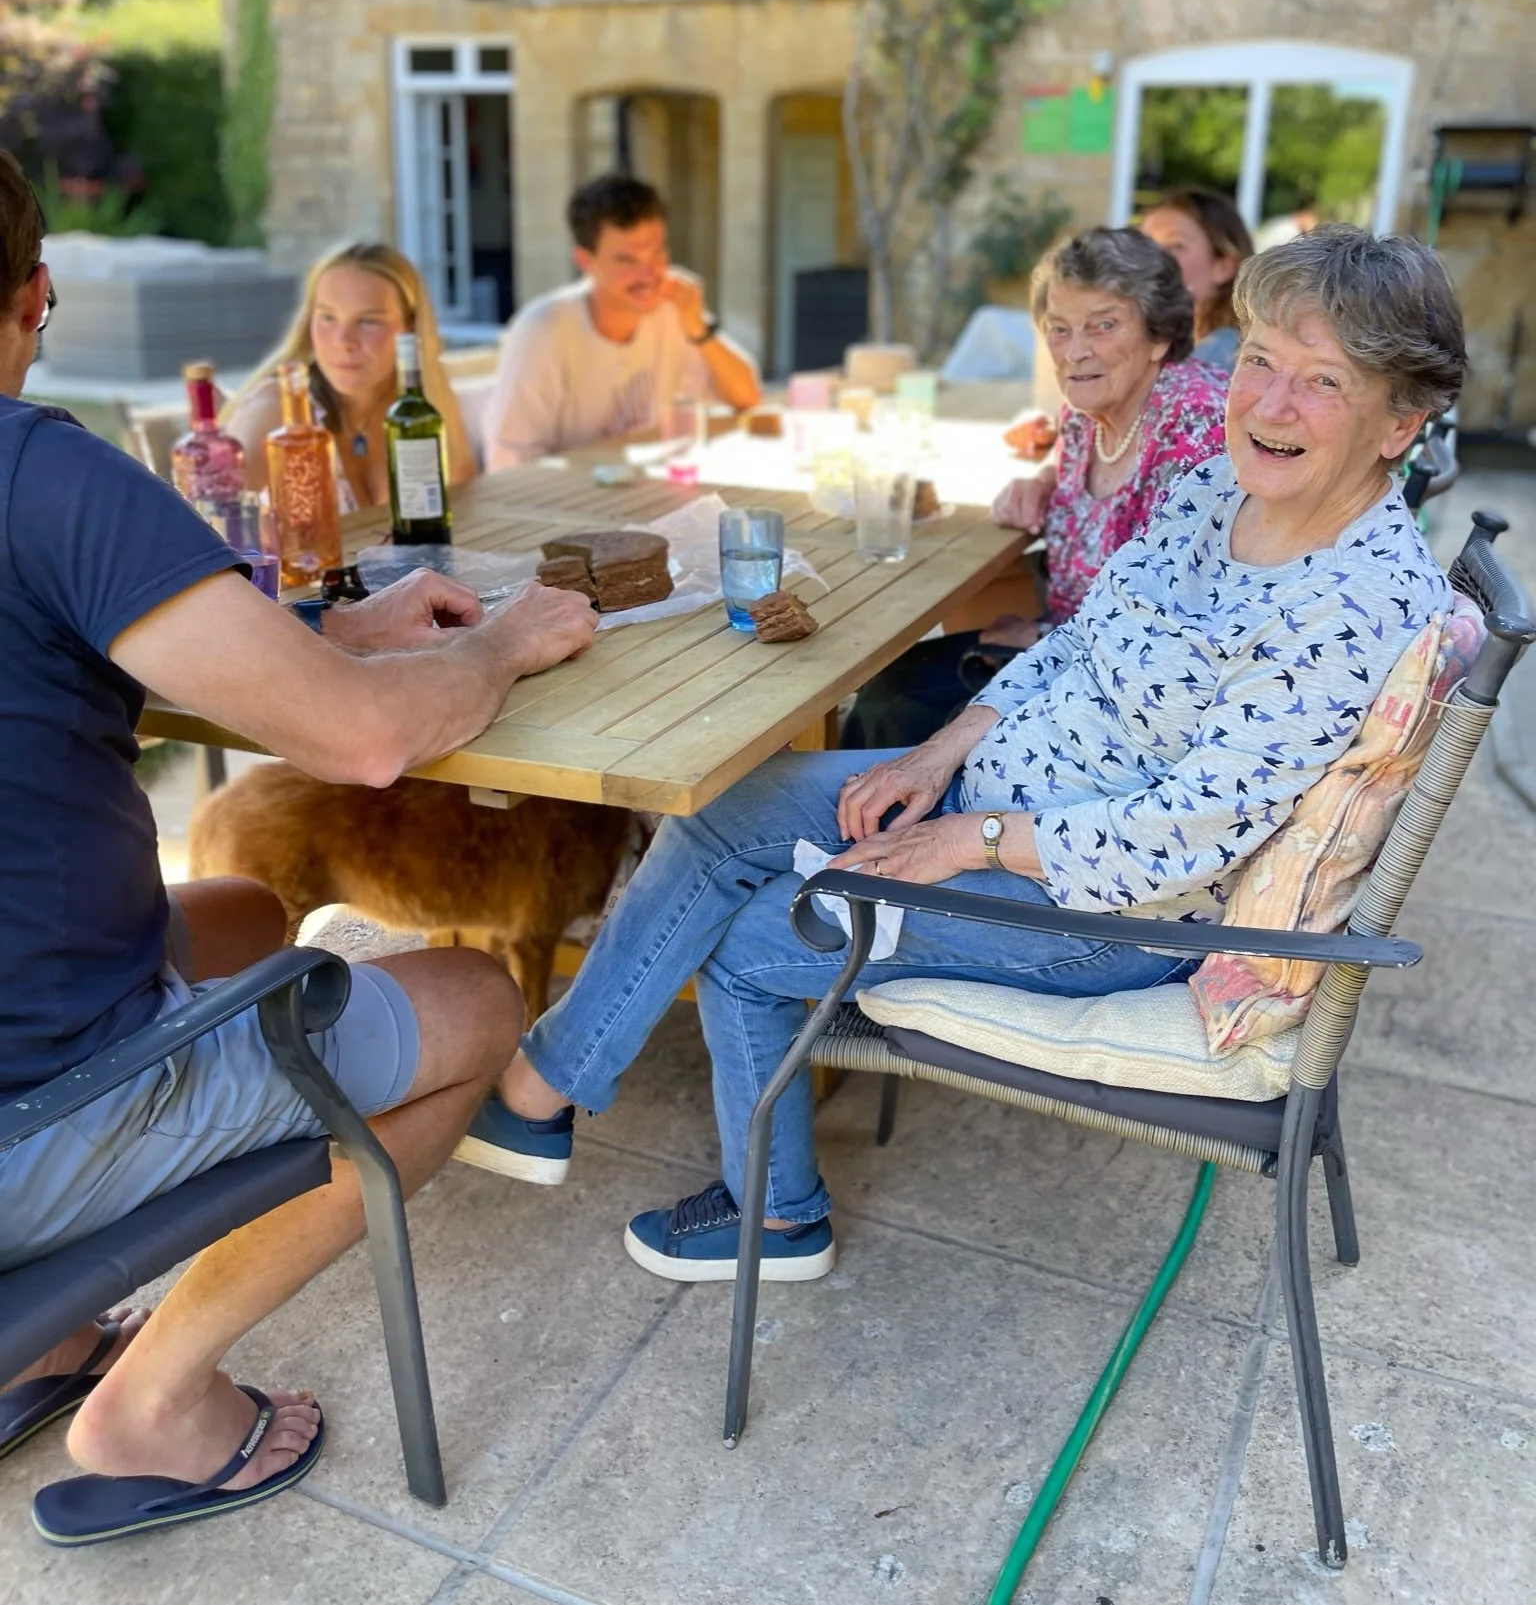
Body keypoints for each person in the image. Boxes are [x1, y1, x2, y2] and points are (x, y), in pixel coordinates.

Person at [463, 225, 1463, 1283]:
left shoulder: (1357, 600)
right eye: (1260, 358)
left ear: (1401, 421)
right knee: (722, 813)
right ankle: (545, 1091)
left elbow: (1182, 834)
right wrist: (934, 755)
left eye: (1323, 382)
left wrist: (967, 842)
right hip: (998, 793)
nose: (1268, 403)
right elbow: (1080, 638)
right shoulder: (1221, 487)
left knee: (755, 936)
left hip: (1105, 909)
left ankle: (778, 1217)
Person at [0, 152, 598, 1536]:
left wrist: (322, 635)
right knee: (478, 999)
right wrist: (505, 641)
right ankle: (150, 1402)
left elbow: (145, 659)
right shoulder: (45, 475)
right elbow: (363, 745)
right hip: (32, 1114)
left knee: (243, 915)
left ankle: (38, 1341)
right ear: (39, 295)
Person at [844, 226, 1227, 749]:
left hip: (1127, 699)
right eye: (1059, 329)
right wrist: (1043, 479)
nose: (1074, 352)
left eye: (1104, 326)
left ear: (1159, 335)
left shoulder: (1198, 426)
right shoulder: (1083, 415)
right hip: (1062, 653)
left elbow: (1182, 625)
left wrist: (1043, 639)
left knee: (901, 713)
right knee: (890, 687)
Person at [483, 174, 760, 470]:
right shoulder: (543, 328)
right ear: (585, 261)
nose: (648, 275)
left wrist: (698, 329)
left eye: (657, 254)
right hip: (569, 500)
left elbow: (747, 399)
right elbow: (508, 459)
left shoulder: (674, 311)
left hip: (651, 491)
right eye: (627, 261)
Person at [224, 242, 477, 510]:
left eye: (368, 321)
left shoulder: (422, 410)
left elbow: (460, 517)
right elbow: (204, 527)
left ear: (410, 329)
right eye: (328, 318)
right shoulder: (278, 409)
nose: (343, 341)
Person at [1140, 188, 1255, 373]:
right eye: (1144, 245)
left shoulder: (1219, 352)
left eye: (1175, 246)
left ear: (1223, 267)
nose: (1151, 257)